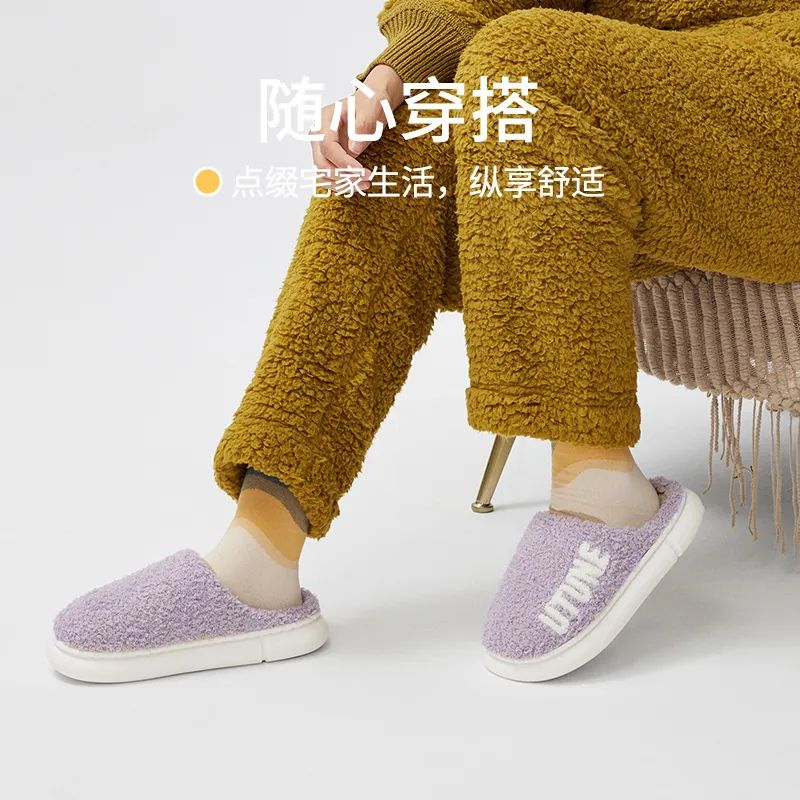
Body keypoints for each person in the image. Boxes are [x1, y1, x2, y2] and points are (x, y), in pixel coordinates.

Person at [48, 0, 800, 683]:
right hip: (635, 95)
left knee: (528, 61)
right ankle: (259, 551)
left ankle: (598, 485)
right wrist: (390, 77)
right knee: (397, 140)